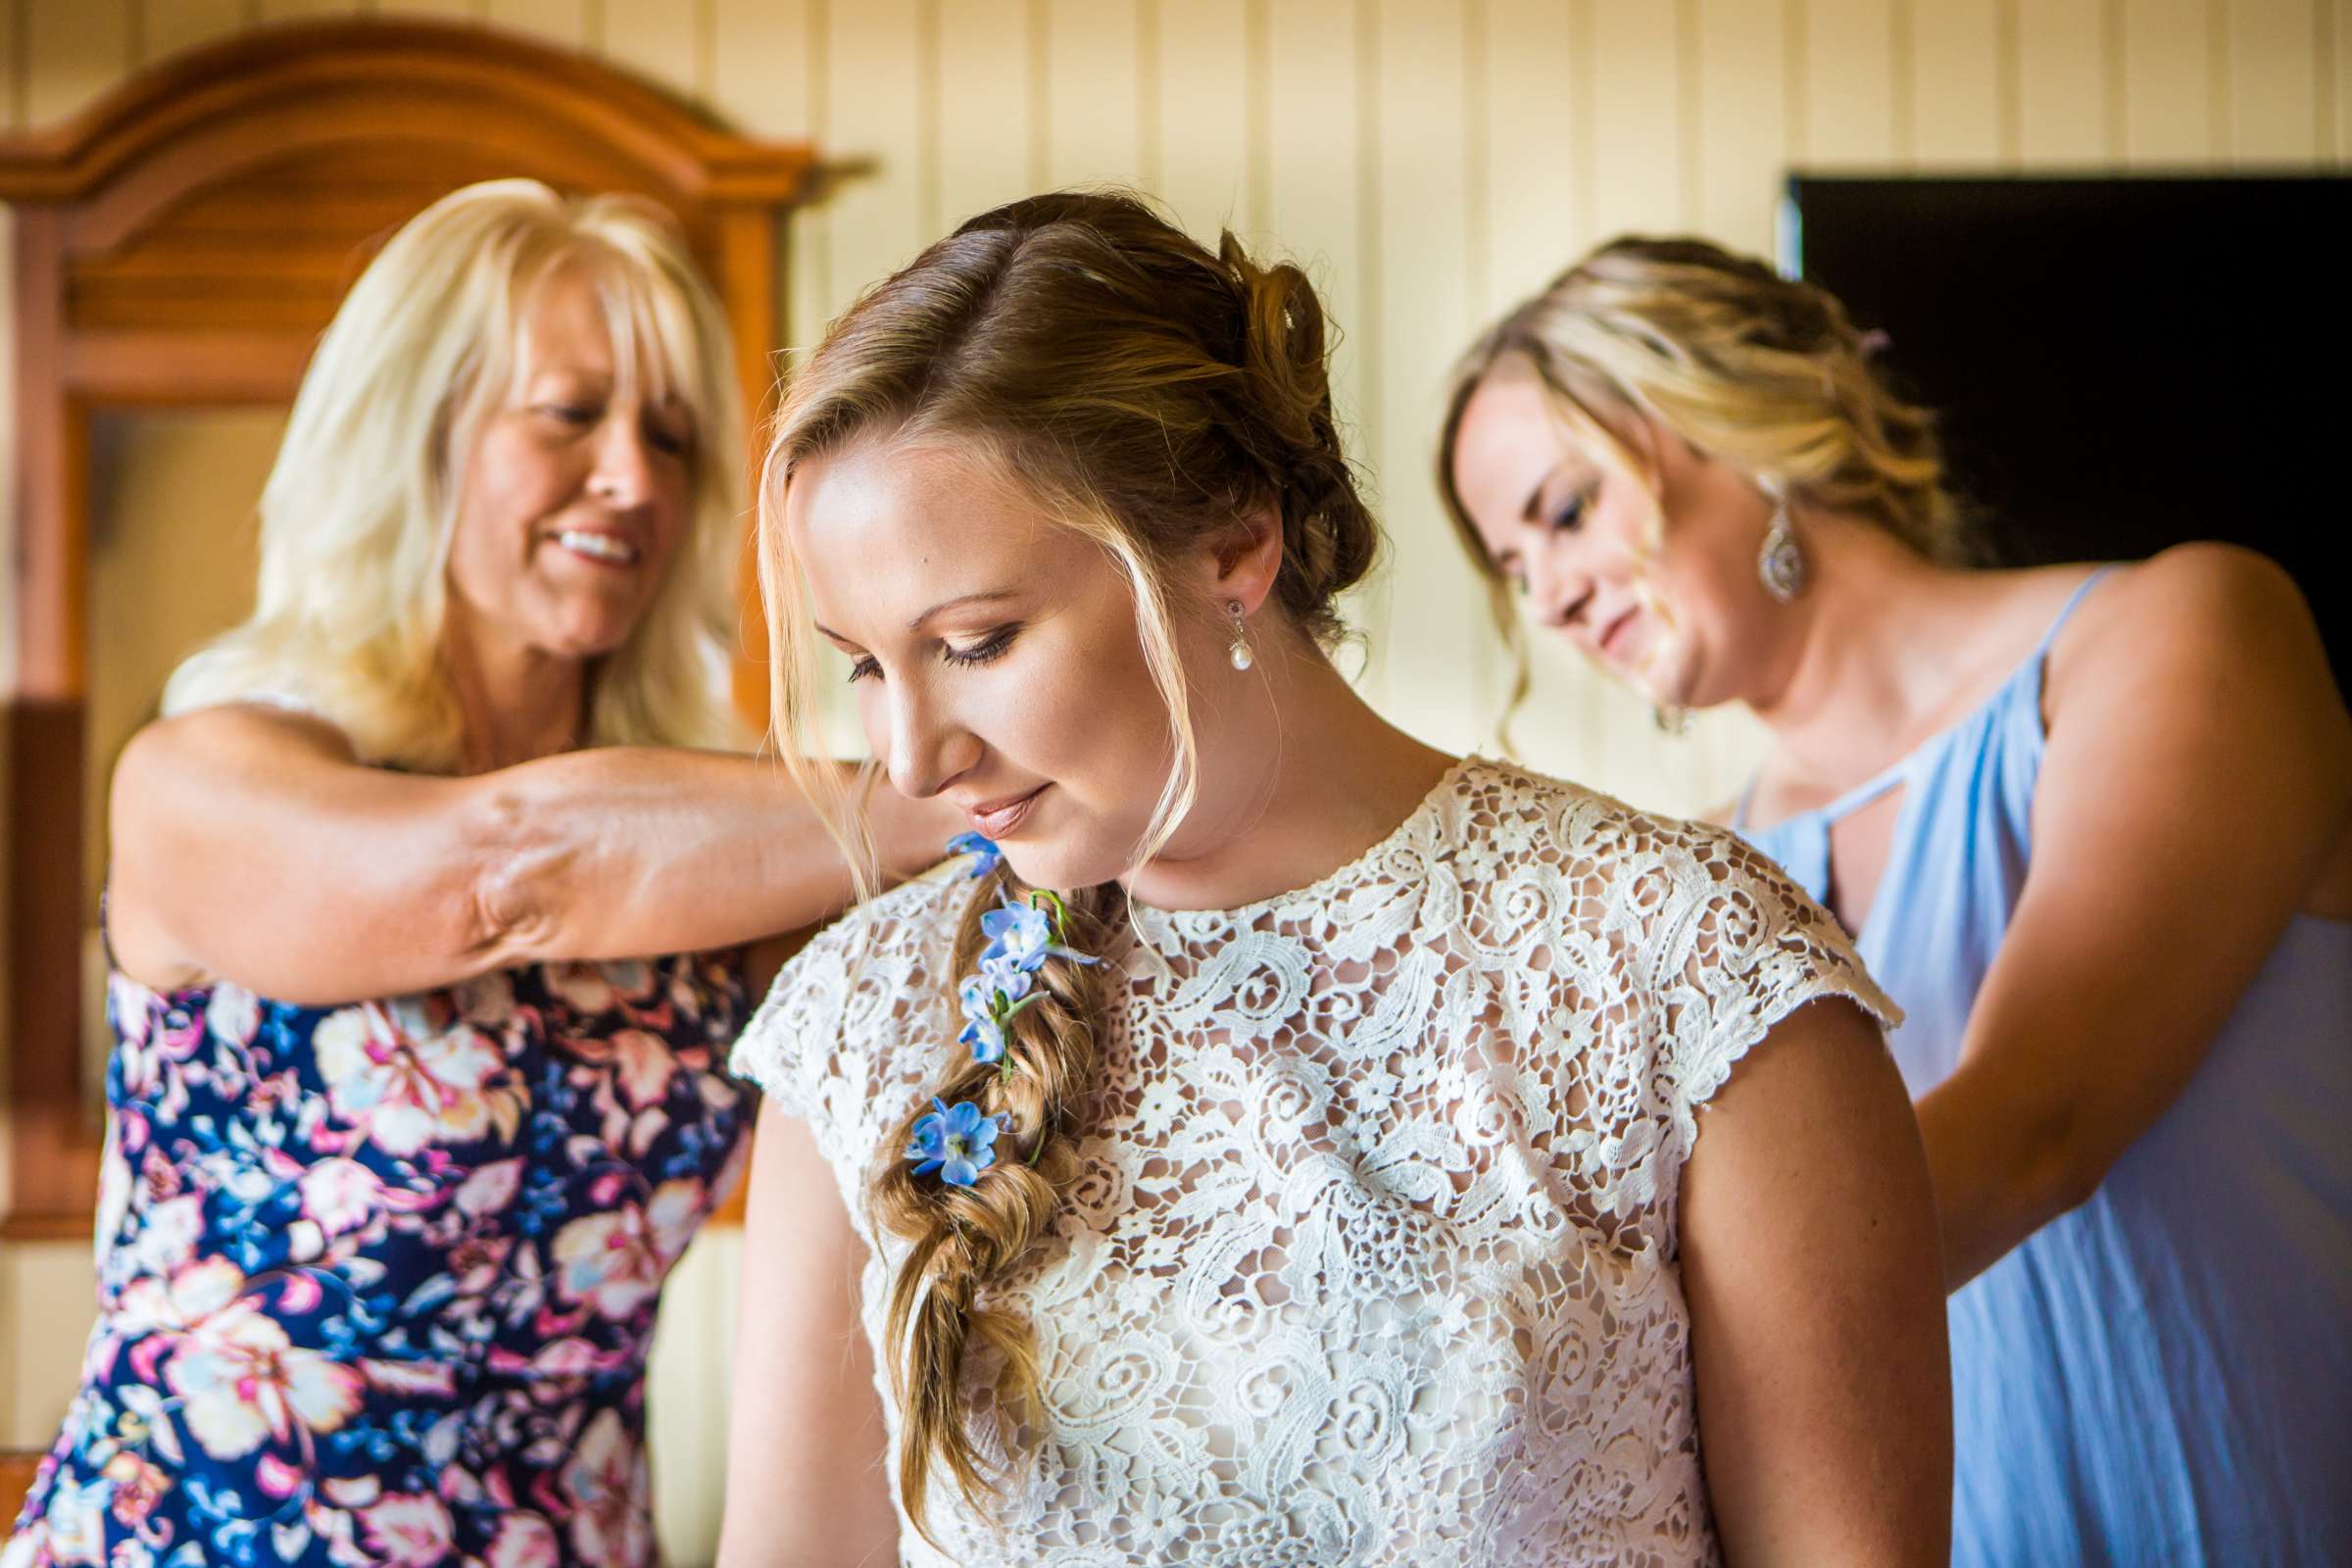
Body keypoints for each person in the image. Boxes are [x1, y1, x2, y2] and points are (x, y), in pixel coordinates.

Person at [716, 192, 1949, 1566]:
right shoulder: (861, 1020)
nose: (915, 756)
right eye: (867, 666)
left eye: (980, 640)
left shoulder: (1685, 964)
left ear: (1236, 544)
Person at [2, 180, 953, 1568]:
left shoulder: (713, 845)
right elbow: (498, 877)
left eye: (673, 437)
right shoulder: (198, 775)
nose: (634, 477)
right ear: (413, 436)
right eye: (569, 414)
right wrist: (968, 796)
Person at [1438, 235, 2352, 1566]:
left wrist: (1564, 1353)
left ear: (1741, 423)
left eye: (1566, 511)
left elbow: (2041, 1125)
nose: (1554, 597)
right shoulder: (1692, 877)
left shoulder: (2181, 632)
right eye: (1514, 571)